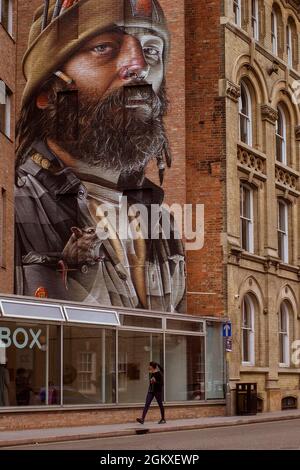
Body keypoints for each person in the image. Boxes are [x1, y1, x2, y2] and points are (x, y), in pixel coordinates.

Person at [15, 0, 186, 312]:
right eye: (104, 47)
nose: (139, 65)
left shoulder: (161, 220)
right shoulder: (15, 204)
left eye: (151, 51)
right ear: (48, 93)